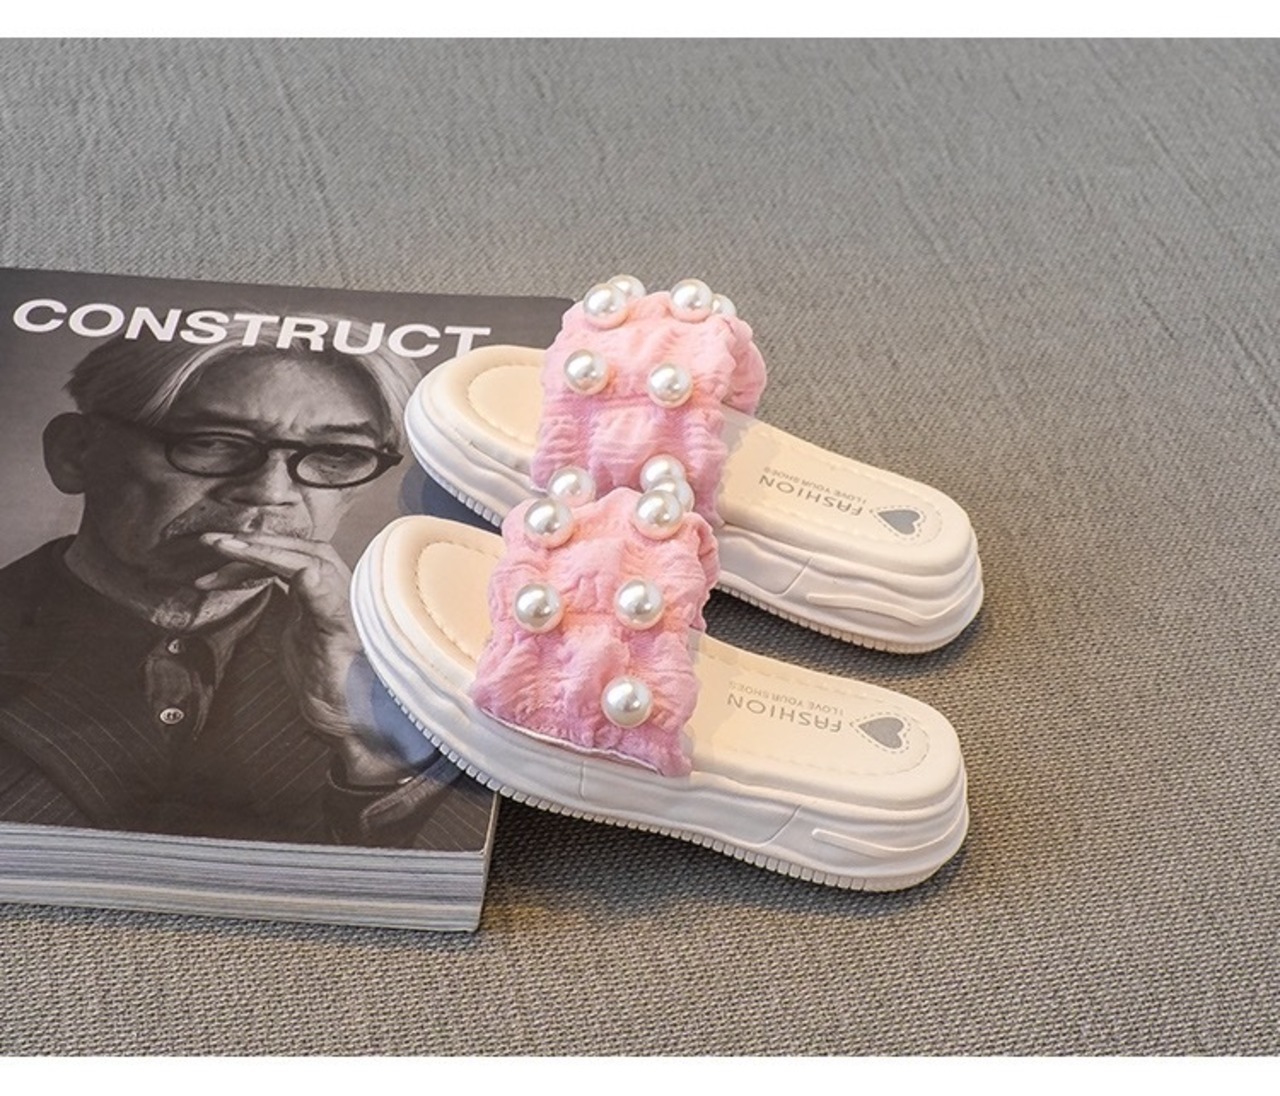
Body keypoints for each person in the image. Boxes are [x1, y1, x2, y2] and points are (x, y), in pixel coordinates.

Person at [0, 313, 456, 846]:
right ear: (75, 452)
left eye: (337, 455)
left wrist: (372, 749)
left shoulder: (406, 678)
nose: (269, 493)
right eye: (212, 443)